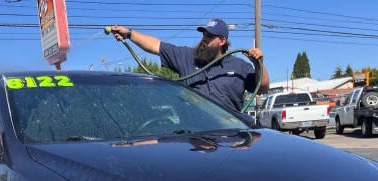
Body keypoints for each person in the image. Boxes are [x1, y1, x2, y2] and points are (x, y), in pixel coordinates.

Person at [110, 19, 269, 122]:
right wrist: (129, 33)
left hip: (231, 136)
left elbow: (263, 88)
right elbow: (155, 45)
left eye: (209, 37)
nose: (204, 40)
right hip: (193, 137)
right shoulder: (187, 57)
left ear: (222, 41)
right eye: (203, 35)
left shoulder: (239, 66)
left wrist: (258, 63)